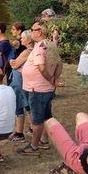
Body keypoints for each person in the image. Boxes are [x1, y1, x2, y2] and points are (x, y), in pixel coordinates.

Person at [17, 21, 57, 155]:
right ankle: (44, 141)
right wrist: (55, 79)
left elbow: (42, 68)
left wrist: (50, 79)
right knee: (46, 116)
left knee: (37, 119)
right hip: (45, 88)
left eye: (33, 29)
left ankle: (34, 146)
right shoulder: (51, 44)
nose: (31, 31)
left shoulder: (40, 46)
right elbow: (59, 64)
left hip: (38, 89)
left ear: (39, 32)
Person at [7, 29, 33, 143]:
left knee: (19, 106)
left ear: (29, 39)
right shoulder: (34, 50)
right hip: (26, 81)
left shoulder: (27, 52)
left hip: (19, 82)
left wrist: (12, 61)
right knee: (28, 105)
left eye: (23, 37)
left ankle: (19, 133)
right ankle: (32, 128)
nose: (20, 39)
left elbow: (14, 65)